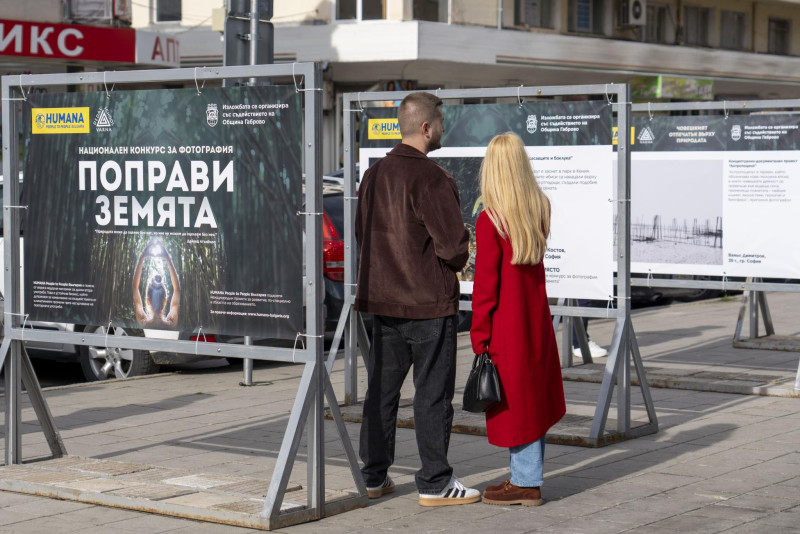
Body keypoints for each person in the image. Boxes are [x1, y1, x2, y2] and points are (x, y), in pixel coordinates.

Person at [355, 91, 479, 507]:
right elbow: (454, 248)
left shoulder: (373, 175)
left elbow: (362, 236)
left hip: (383, 303)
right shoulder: (432, 178)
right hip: (428, 305)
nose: (444, 128)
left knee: (381, 393)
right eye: (440, 122)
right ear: (426, 128)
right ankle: (435, 482)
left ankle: (373, 477)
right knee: (431, 395)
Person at [470, 132, 566, 506]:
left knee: (517, 404)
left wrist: (479, 337)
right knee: (532, 398)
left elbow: (486, 289)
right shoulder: (539, 207)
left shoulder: (491, 220)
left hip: (506, 327)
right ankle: (523, 476)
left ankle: (525, 481)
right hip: (536, 323)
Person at [133, 242, 180, 329]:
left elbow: (135, 288)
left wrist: (142, 257)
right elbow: (177, 290)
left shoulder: (143, 322)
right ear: (165, 301)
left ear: (147, 301)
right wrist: (168, 258)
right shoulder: (171, 323)